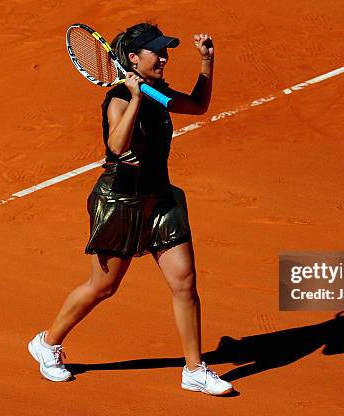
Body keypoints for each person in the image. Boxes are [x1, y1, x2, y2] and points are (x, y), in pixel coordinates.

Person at [28, 22, 234, 396]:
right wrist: (137, 98)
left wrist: (207, 62)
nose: (164, 57)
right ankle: (47, 343)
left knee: (185, 282)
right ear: (134, 59)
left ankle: (194, 370)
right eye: (157, 51)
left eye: (166, 50)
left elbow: (199, 106)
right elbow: (117, 146)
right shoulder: (120, 99)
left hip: (160, 199)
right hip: (121, 202)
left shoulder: (159, 92)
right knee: (103, 286)